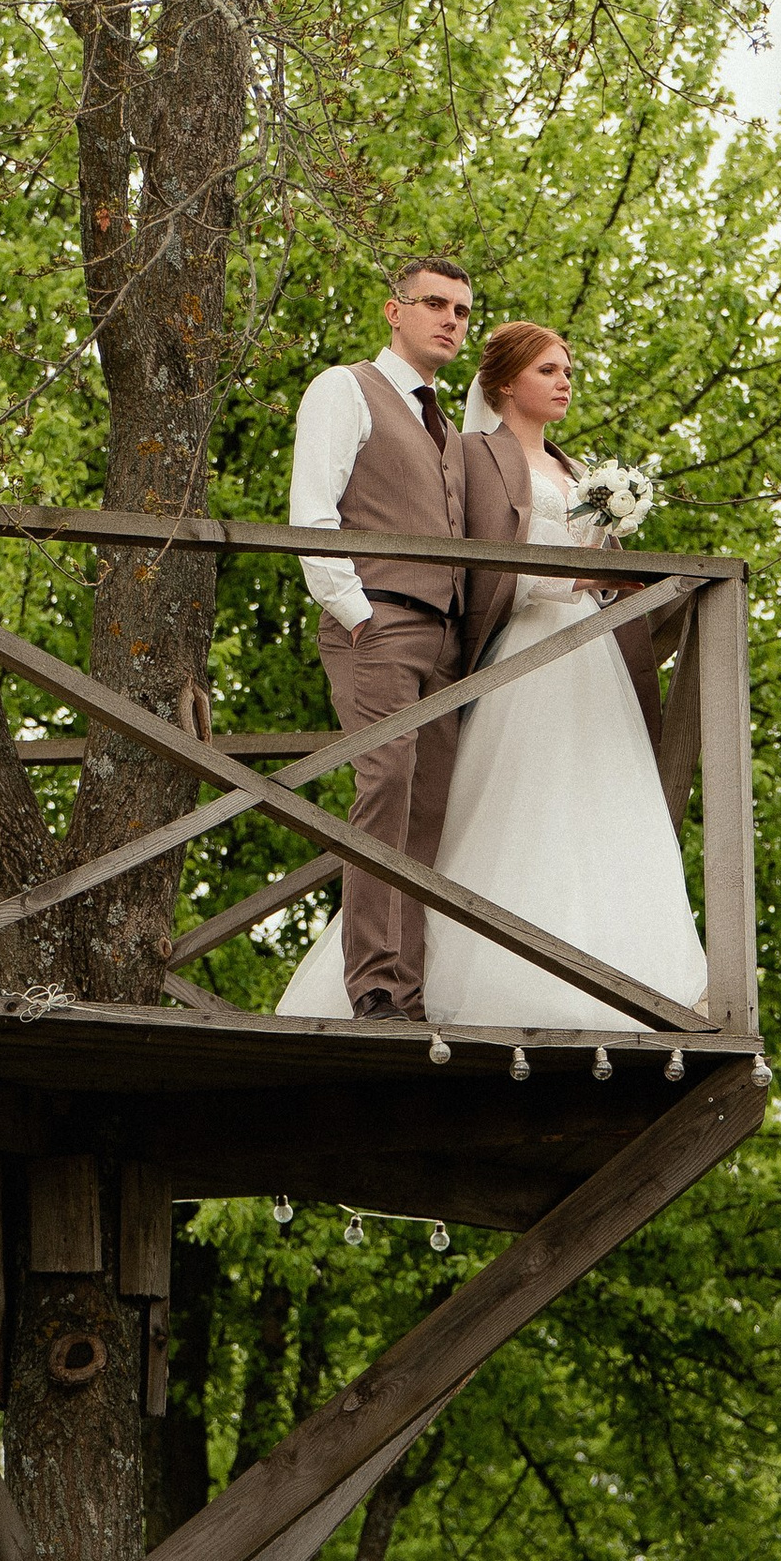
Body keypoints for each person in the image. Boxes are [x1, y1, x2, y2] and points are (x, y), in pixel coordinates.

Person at [280, 318, 706, 1030]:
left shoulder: (575, 469)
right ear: (505, 383)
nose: (565, 380)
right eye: (548, 370)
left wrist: (617, 572)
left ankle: (625, 972)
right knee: (483, 802)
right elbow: (485, 560)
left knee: (598, 800)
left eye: (568, 369)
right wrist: (353, 608)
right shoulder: (474, 453)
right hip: (515, 644)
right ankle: (425, 982)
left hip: (591, 646)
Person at [284, 255, 475, 1018]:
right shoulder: (345, 388)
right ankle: (376, 987)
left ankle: (413, 989)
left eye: (462, 311)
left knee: (429, 809)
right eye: (435, 304)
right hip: (379, 623)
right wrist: (354, 612)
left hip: (446, 638)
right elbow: (313, 509)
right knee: (384, 793)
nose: (451, 320)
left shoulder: (449, 428)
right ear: (394, 310)